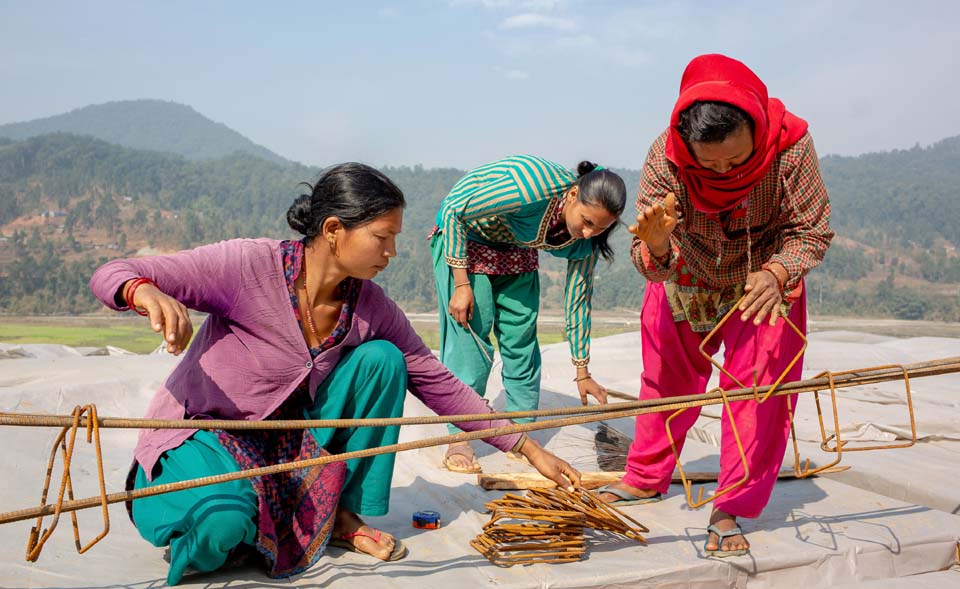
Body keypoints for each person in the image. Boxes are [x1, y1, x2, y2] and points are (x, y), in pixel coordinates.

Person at [89, 163, 581, 585]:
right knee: (221, 528)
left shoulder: (369, 305)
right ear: (332, 229)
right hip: (203, 432)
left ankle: (339, 514)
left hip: (284, 440)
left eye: (394, 239)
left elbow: (435, 379)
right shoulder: (246, 266)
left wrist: (528, 448)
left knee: (383, 360)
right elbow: (116, 271)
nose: (390, 252)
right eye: (381, 238)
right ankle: (215, 507)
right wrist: (143, 292)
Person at [596, 54, 833, 558]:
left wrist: (778, 272)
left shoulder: (790, 149)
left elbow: (811, 230)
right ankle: (645, 477)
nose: (724, 171)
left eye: (737, 159)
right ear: (688, 144)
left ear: (758, 127)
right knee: (666, 381)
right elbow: (649, 255)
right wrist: (657, 247)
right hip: (686, 274)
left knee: (758, 392)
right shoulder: (666, 157)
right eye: (712, 162)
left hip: (764, 281)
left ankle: (731, 506)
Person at [430, 156, 626, 473]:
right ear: (573, 196)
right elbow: (455, 210)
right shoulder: (530, 188)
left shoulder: (584, 241)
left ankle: (520, 432)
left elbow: (578, 302)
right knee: (471, 337)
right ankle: (459, 437)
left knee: (521, 337)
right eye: (587, 222)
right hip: (465, 237)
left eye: (601, 228)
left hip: (516, 246)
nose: (590, 233)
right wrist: (462, 283)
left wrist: (582, 370)